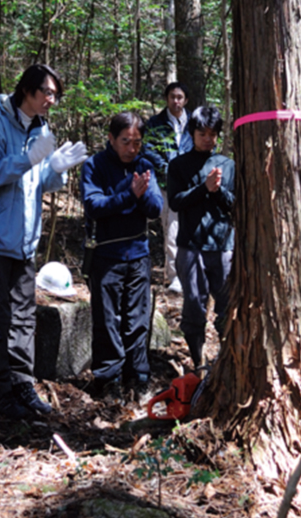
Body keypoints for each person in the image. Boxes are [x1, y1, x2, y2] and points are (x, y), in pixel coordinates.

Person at [0, 63, 89, 419]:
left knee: (23, 319)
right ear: (27, 91)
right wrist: (28, 159)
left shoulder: (41, 128)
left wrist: (56, 167)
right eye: (47, 93)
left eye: (55, 94)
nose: (52, 100)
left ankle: (23, 385)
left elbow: (41, 184)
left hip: (24, 243)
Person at [82, 112, 163, 401]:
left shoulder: (144, 165)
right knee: (107, 319)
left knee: (138, 319)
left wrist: (141, 195)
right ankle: (107, 379)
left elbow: (155, 208)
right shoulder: (95, 165)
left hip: (138, 254)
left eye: (137, 142)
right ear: (111, 138)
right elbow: (94, 205)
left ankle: (137, 377)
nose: (131, 148)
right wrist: (129, 195)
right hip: (106, 254)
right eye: (125, 141)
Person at [166, 105, 235, 370]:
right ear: (192, 133)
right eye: (202, 133)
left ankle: (227, 358)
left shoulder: (227, 165)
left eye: (213, 133)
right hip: (190, 246)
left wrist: (216, 191)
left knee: (227, 305)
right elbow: (175, 202)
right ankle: (198, 361)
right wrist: (203, 188)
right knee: (194, 306)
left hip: (223, 247)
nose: (208, 138)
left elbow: (233, 205)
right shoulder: (179, 166)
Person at [142, 82, 193, 293]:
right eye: (172, 97)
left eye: (180, 97)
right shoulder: (155, 123)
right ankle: (175, 276)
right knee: (172, 230)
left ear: (186, 100)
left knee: (193, 230)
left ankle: (193, 274)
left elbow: (205, 145)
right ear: (167, 98)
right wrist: (168, 169)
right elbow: (148, 149)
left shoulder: (194, 122)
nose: (176, 101)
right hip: (167, 184)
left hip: (192, 185)